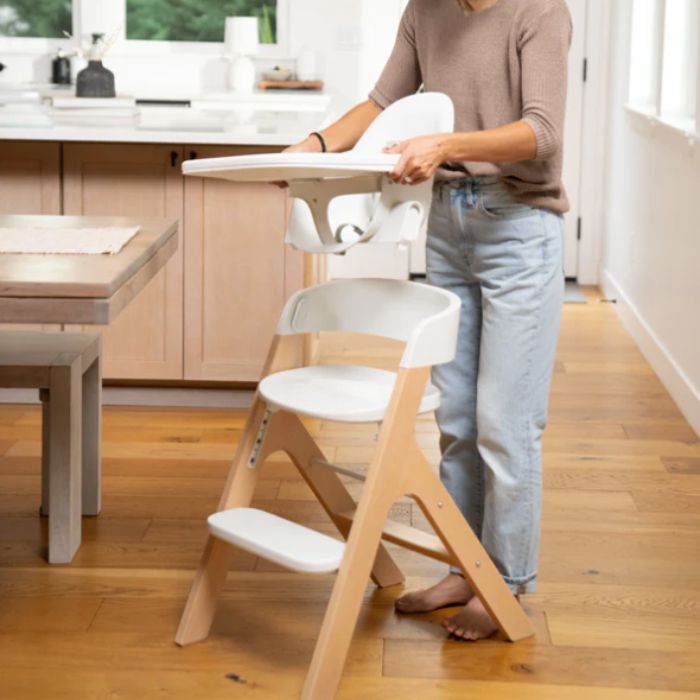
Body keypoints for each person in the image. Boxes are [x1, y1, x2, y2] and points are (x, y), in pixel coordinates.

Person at [284, 0, 572, 641]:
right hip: (448, 222)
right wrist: (313, 146)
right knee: (457, 417)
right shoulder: (427, 9)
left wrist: (445, 143)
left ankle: (506, 582)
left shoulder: (540, 11)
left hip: (520, 226)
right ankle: (463, 566)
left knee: (506, 419)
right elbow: (380, 103)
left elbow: (542, 131)